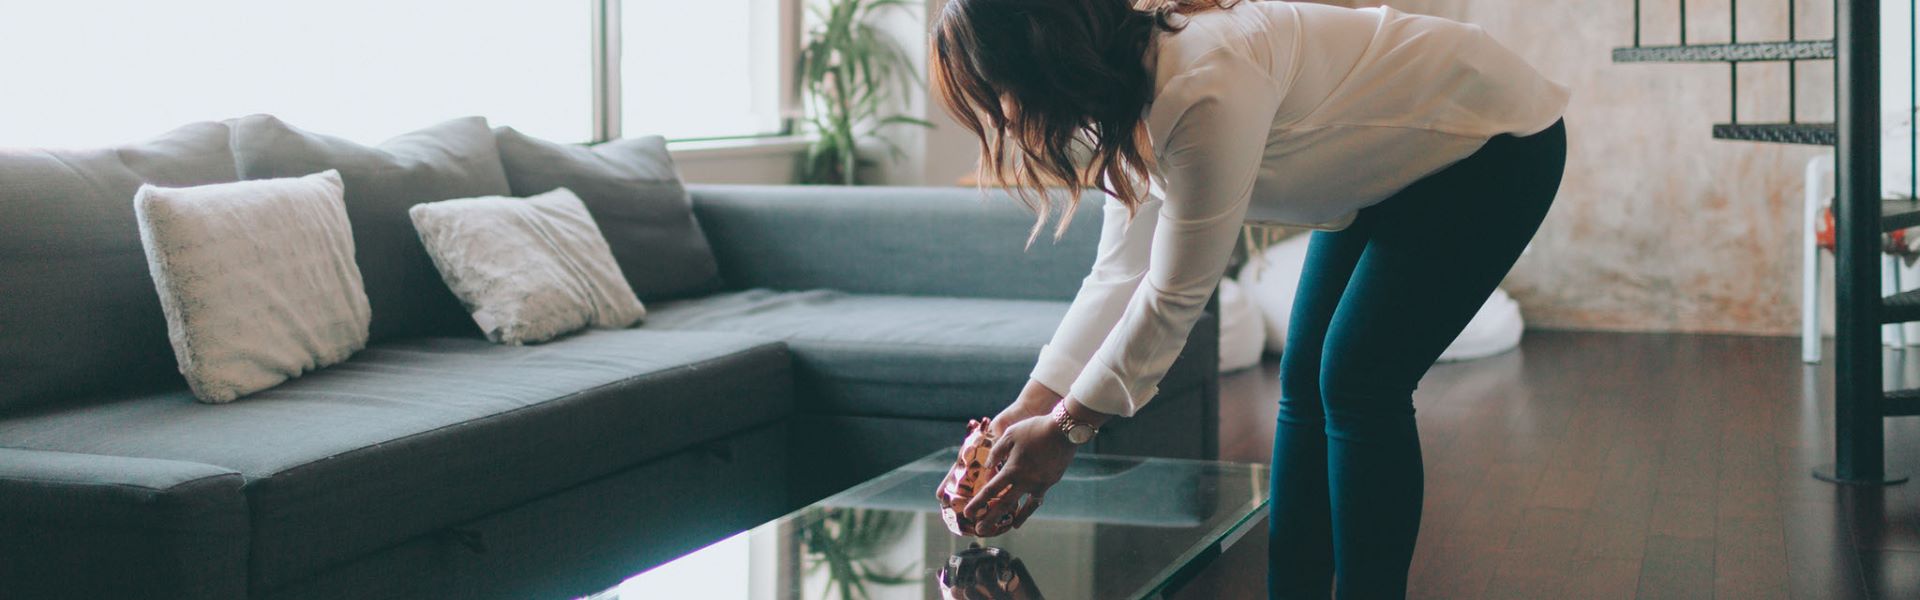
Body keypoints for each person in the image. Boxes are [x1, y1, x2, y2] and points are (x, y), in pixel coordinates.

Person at [929, 0, 1569, 597]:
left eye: (996, 95)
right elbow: (1116, 278)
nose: (1002, 119)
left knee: (1355, 380)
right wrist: (1030, 405)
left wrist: (1067, 429)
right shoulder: (1120, 101)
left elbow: (1174, 295)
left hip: (1491, 139)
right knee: (1304, 378)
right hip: (1387, 169)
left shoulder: (1201, 80)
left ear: (1040, 59)